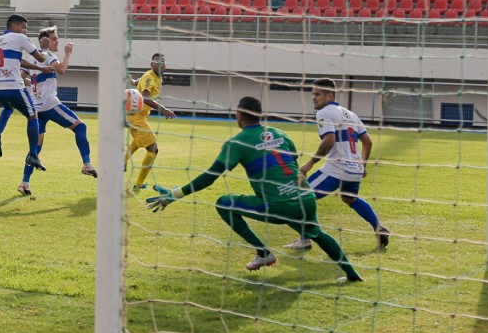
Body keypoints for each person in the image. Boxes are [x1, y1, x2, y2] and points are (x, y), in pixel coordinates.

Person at [146, 96, 362, 282]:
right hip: (305, 198)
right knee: (317, 234)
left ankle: (263, 252)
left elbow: (211, 176)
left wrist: (176, 194)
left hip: (277, 205)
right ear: (260, 115)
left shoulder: (238, 142)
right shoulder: (281, 134)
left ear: (239, 116)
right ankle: (352, 274)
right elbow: (293, 162)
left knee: (223, 203)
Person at [291, 78, 390, 250]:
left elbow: (329, 141)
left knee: (301, 196)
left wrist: (309, 164)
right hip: (354, 171)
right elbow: (368, 142)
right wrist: (362, 165)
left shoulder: (324, 113)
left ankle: (305, 239)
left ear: (330, 95)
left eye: (318, 94)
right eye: (313, 94)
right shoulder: (350, 114)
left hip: (337, 169)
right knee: (350, 198)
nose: (313, 98)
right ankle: (379, 227)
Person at [1, 28, 97, 196]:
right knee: (80, 128)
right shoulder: (49, 55)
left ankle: (24, 183)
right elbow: (61, 69)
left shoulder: (32, 58)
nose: (57, 42)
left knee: (35, 147)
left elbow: (21, 77)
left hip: (36, 108)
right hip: (49, 104)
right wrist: (68, 54)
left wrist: (35, 83)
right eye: (54, 39)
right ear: (44, 41)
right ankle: (87, 165)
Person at [0, 13, 45, 172]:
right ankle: (33, 154)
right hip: (12, 85)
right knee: (33, 115)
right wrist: (44, 50)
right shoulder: (20, 38)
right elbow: (39, 57)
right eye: (24, 27)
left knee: (8, 107)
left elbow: (19, 61)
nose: (26, 31)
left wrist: (39, 69)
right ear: (14, 26)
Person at [126, 52, 177, 190]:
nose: (160, 65)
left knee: (138, 141)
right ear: (151, 64)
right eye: (157, 63)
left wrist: (133, 81)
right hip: (135, 116)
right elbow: (146, 97)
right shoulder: (150, 77)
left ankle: (122, 161)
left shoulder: (151, 76)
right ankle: (138, 184)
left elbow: (138, 82)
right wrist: (163, 109)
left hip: (138, 116)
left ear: (165, 65)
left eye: (162, 63)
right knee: (153, 149)